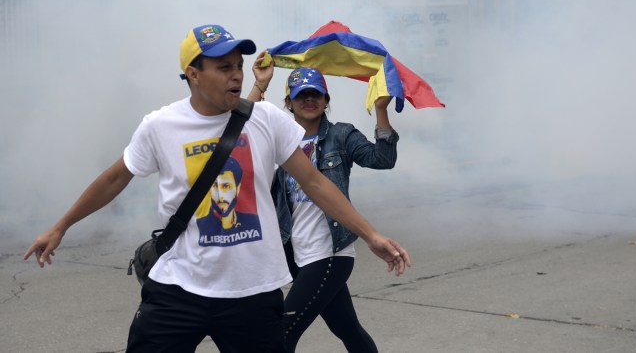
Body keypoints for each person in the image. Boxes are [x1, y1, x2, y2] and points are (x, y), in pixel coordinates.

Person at [23, 24, 411, 353]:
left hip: (253, 295)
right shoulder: (161, 125)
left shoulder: (266, 120)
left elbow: (314, 182)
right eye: (223, 67)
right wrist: (61, 226)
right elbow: (115, 178)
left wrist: (371, 235)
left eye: (238, 66)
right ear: (193, 73)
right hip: (178, 289)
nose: (236, 75)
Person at [247, 60, 400, 352]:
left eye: (316, 94)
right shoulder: (278, 138)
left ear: (326, 100)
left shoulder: (341, 135)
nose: (309, 99)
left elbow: (382, 159)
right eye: (301, 94)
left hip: (331, 252)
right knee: (349, 331)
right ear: (288, 102)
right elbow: (238, 128)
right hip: (296, 254)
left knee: (281, 334)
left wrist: (381, 110)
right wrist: (259, 85)